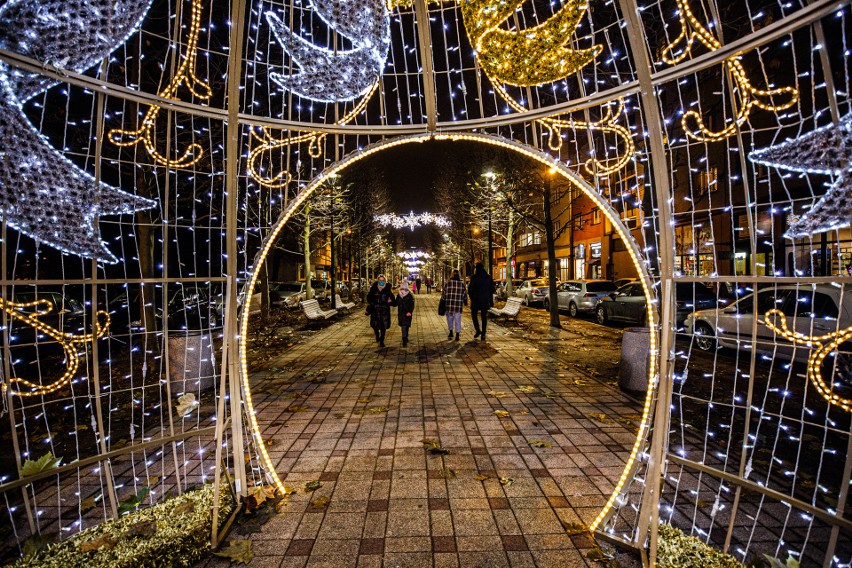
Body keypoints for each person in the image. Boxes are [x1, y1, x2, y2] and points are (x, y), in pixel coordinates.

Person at [367, 274, 396, 347]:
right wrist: (372, 303)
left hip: (384, 310)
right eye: (380, 280)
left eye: (383, 280)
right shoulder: (374, 288)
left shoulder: (387, 289)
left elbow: (393, 300)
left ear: (385, 281)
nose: (381, 282)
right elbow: (369, 298)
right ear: (377, 280)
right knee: (375, 325)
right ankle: (377, 335)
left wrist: (390, 301)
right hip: (375, 310)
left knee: (383, 326)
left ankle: (382, 340)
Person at [468, 262, 494, 342]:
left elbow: (470, 289)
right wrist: (490, 300)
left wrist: (472, 297)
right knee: (483, 316)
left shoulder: (474, 277)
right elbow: (492, 289)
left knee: (474, 315)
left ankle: (478, 330)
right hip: (485, 300)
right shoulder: (488, 277)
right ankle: (483, 333)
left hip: (476, 299)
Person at [442, 269, 467, 341]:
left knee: (450, 319)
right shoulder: (461, 284)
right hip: (458, 306)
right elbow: (464, 295)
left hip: (449, 305)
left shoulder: (448, 284)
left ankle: (450, 332)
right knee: (457, 320)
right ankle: (457, 334)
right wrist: (465, 302)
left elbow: (443, 295)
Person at [396, 281, 415, 347]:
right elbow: (396, 303)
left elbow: (412, 304)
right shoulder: (399, 295)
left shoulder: (409, 295)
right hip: (401, 313)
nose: (402, 290)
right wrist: (390, 302)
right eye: (402, 288)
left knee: (406, 326)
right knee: (403, 326)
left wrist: (410, 311)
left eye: (404, 288)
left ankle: (405, 338)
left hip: (407, 313)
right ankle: (405, 338)